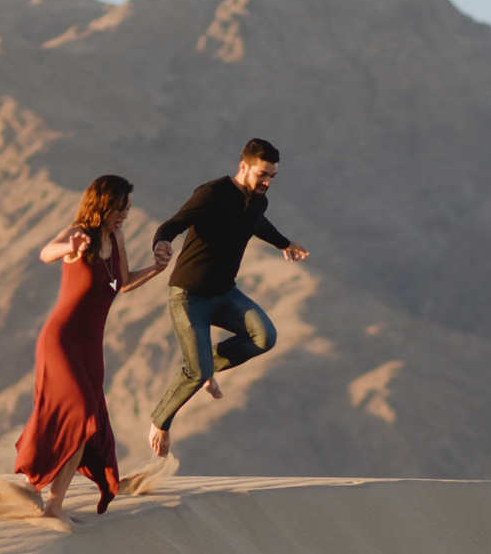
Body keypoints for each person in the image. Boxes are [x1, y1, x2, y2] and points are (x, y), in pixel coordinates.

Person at [143, 138, 310, 457]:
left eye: (272, 176)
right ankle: (160, 421)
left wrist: (284, 243)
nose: (267, 182)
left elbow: (257, 223)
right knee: (197, 372)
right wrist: (160, 243)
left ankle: (206, 366)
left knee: (264, 337)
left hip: (224, 292)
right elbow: (174, 223)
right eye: (262, 174)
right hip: (188, 296)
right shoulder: (213, 193)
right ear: (243, 166)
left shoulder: (259, 202)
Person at [16, 175, 161, 516]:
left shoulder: (117, 237)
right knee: (78, 412)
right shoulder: (78, 232)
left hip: (91, 348)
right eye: (119, 207)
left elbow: (121, 283)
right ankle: (31, 484)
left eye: (127, 207)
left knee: (86, 424)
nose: (124, 214)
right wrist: (71, 248)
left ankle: (52, 506)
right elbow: (45, 253)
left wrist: (157, 268)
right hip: (61, 340)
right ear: (102, 204)